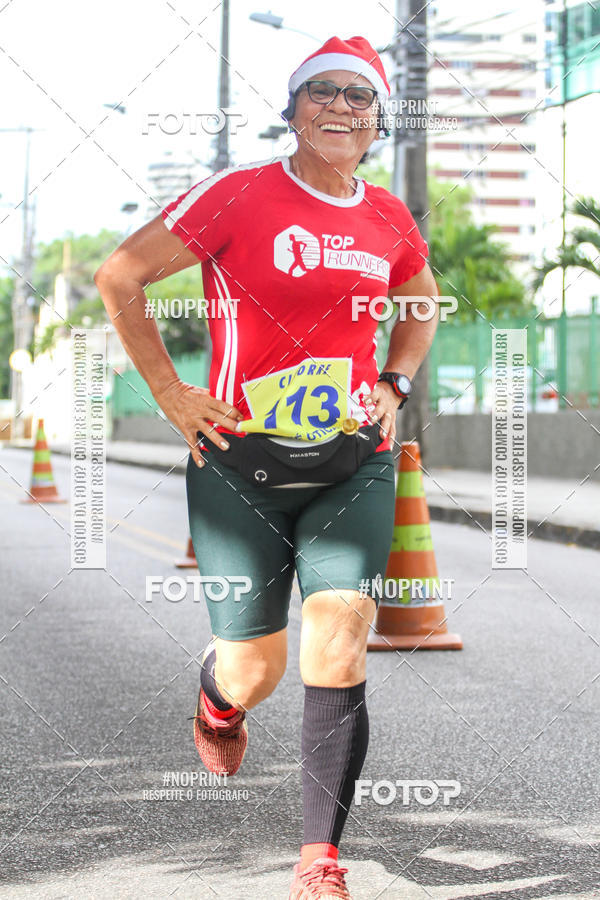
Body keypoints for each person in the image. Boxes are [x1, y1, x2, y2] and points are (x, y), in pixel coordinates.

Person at [95, 34, 439, 900]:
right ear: (292, 109)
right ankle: (219, 702)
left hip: (351, 462)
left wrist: (395, 380)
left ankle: (319, 858)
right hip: (237, 462)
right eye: (321, 91)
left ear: (377, 120)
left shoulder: (387, 218)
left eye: (359, 96)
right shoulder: (241, 195)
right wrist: (172, 392)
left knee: (341, 629)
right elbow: (121, 276)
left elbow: (423, 298)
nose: (339, 107)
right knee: (256, 667)